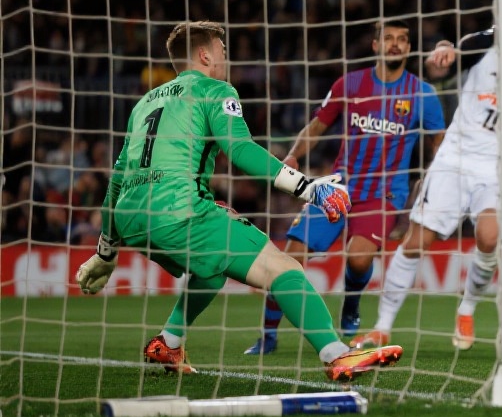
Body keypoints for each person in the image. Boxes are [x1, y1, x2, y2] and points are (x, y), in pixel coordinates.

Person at [75, 20, 403, 381]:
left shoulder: (144, 103)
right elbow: (241, 150)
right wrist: (308, 188)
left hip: (131, 220)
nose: (226, 59)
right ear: (205, 55)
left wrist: (106, 252)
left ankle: (168, 342)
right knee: (284, 268)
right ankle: (337, 354)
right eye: (223, 51)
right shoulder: (215, 89)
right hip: (179, 213)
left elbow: (117, 180)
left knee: (211, 268)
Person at [349, 0, 502, 351]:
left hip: (501, 167)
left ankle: (466, 309)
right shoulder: (483, 45)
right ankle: (382, 327)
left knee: (489, 238)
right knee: (418, 242)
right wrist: (442, 53)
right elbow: (442, 66)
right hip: (456, 157)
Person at [243, 18, 446, 355]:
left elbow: (438, 142)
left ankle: (351, 306)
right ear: (376, 45)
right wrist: (292, 156)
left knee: (359, 259)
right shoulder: (350, 83)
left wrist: (436, 176)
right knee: (290, 257)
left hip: (385, 193)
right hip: (339, 187)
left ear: (409, 48)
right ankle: (268, 335)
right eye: (388, 38)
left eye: (402, 39)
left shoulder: (423, 93)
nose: (395, 44)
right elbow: (317, 125)